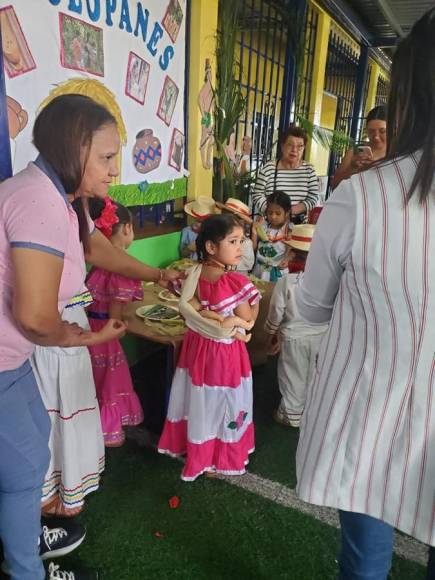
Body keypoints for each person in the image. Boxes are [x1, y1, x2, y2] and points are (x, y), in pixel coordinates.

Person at [295, 8, 435, 579]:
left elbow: (312, 306)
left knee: (364, 560)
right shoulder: (358, 189)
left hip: (370, 416)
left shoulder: (364, 196)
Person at [158, 214, 261, 481]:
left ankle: (197, 449)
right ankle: (217, 457)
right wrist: (255, 300)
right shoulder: (234, 282)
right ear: (211, 247)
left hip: (196, 349)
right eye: (233, 241)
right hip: (224, 354)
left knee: (199, 396)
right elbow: (248, 319)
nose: (241, 247)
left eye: (241, 241)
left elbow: (186, 308)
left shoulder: (192, 274)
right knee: (222, 399)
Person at [86, 198, 144, 448]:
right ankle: (110, 434)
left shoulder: (95, 265)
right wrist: (120, 326)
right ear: (128, 229)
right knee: (110, 381)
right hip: (107, 334)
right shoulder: (122, 268)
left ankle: (92, 425)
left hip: (89, 330)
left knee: (94, 380)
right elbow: (115, 312)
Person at [264, 224, 328, 428]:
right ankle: (312, 413)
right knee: (315, 375)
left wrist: (271, 333)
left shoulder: (287, 282)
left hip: (294, 339)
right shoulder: (329, 281)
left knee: (293, 376)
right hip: (323, 336)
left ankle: (290, 415)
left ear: (292, 253)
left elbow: (276, 311)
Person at [252, 125, 318, 222]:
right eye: (290, 145)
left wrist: (290, 212)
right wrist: (273, 212)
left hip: (298, 226)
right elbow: (257, 194)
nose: (294, 150)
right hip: (271, 224)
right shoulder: (269, 168)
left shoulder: (309, 170)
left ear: (304, 148)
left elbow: (313, 198)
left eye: (300, 146)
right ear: (282, 146)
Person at [331, 105, 387, 190]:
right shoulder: (355, 151)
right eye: (371, 131)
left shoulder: (398, 153)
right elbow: (335, 185)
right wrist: (352, 168)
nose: (376, 136)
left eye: (382, 131)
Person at [252, 191, 292, 281]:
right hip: (259, 270)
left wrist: (288, 259)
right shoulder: (263, 227)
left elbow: (292, 250)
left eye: (278, 213)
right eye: (270, 213)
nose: (273, 216)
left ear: (287, 213)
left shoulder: (289, 230)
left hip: (277, 272)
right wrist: (254, 232)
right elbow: (254, 249)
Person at [216, 198, 255, 275]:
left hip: (238, 277)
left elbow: (248, 264)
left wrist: (226, 262)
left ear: (241, 222)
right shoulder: (218, 237)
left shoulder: (246, 242)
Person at [179, 196, 219, 260]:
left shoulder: (215, 232)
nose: (199, 224)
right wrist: (189, 248)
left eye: (203, 222)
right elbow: (182, 253)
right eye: (198, 221)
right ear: (193, 217)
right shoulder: (187, 231)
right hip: (192, 265)